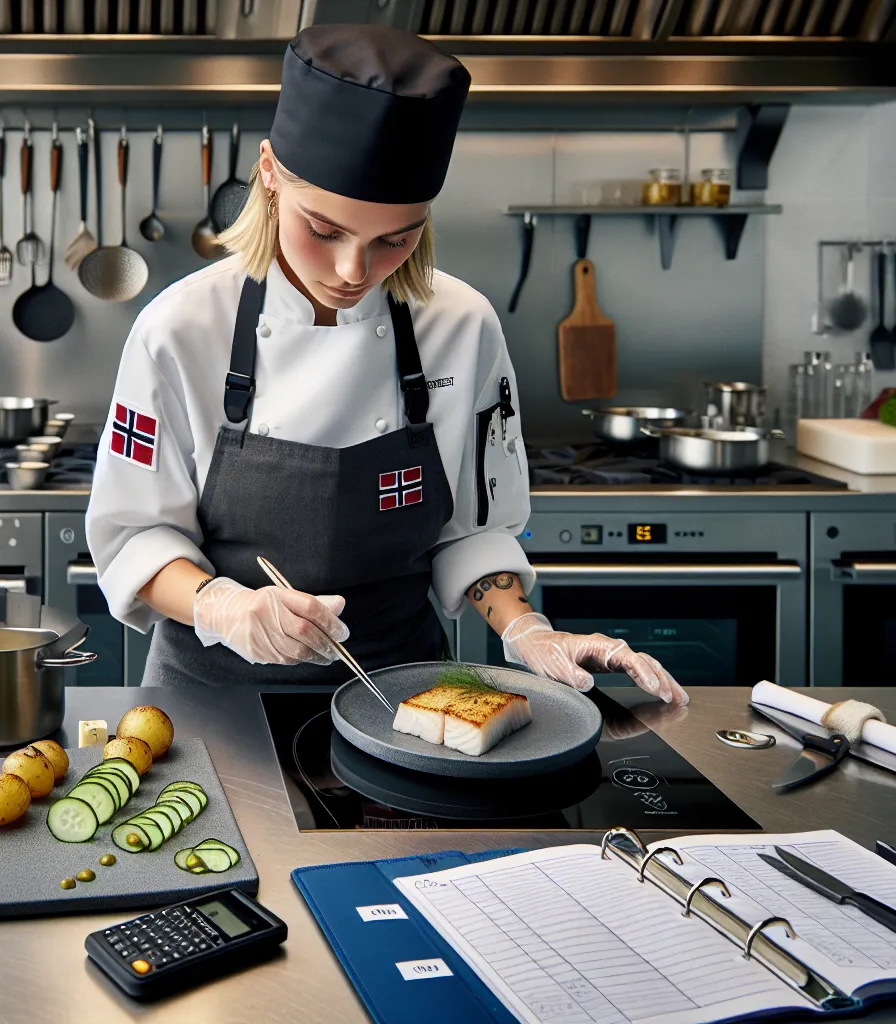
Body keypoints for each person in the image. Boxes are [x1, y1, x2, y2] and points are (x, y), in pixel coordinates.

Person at [85, 25, 685, 704]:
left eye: (395, 240)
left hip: (410, 698)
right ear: (271, 174)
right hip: (211, 702)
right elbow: (136, 532)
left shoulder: (460, 325)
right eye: (325, 230)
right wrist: (223, 606)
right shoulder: (180, 328)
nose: (353, 271)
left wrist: (527, 631)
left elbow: (476, 529)